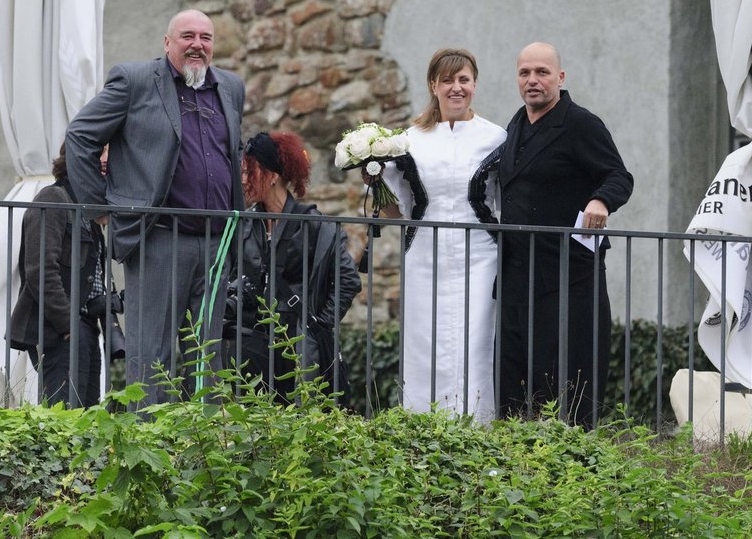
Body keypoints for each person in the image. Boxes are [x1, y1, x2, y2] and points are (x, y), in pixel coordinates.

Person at [65, 9, 246, 409]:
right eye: (187, 36)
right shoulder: (135, 81)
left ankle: (207, 454)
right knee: (151, 357)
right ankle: (149, 452)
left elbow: (230, 157)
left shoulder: (231, 88)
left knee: (209, 358)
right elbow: (80, 135)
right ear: (168, 43)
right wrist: (100, 206)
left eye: (206, 37)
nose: (197, 44)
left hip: (217, 242)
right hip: (158, 239)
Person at [494, 42, 633, 427]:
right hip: (518, 272)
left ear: (560, 77)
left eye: (541, 72)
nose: (533, 80)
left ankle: (573, 462)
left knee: (569, 375)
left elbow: (618, 176)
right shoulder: (516, 125)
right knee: (516, 375)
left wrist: (601, 202)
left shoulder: (581, 124)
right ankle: (514, 456)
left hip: (569, 274)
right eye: (525, 73)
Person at [377, 48, 506, 421]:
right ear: (433, 85)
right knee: (424, 342)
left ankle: (478, 428)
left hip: (480, 252)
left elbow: (504, 198)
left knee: (476, 342)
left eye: (463, 80)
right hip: (425, 254)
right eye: (447, 80)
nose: (456, 88)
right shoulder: (409, 140)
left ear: (475, 85)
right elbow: (394, 211)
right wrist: (372, 177)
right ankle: (423, 429)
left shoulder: (495, 137)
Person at [224, 131, 361, 400]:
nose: (242, 179)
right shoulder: (244, 225)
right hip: (253, 345)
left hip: (300, 348)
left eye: (249, 171)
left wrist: (316, 324)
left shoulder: (314, 226)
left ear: (273, 176)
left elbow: (347, 281)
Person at [9, 144, 112, 407]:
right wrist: (68, 326)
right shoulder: (53, 198)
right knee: (64, 417)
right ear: (76, 157)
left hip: (84, 326)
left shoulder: (86, 209)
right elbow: (40, 271)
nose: (106, 160)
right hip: (58, 328)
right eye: (99, 151)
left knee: (87, 416)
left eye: (112, 153)